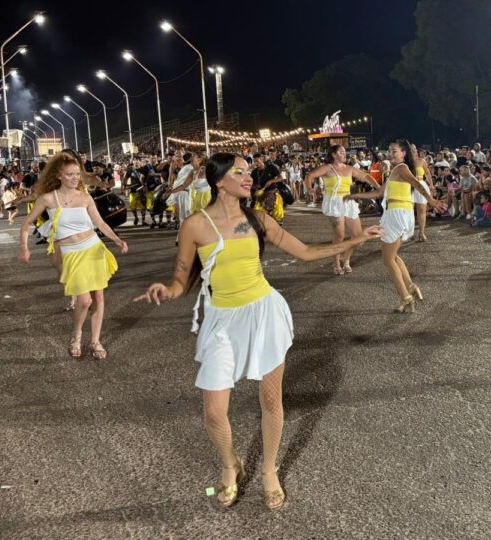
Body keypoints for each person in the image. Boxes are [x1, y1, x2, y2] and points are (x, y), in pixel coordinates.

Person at [134, 152, 383, 510]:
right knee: (215, 412)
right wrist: (167, 290)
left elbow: (307, 252)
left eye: (249, 171)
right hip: (221, 320)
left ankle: (268, 469)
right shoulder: (195, 225)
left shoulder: (258, 219)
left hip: (263, 314)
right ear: (219, 180)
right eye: (240, 172)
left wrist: (357, 242)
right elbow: (180, 278)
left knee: (270, 400)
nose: (249, 177)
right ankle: (230, 463)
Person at [18, 152, 129, 359]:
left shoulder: (85, 197)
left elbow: (100, 223)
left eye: (77, 174)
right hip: (71, 253)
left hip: (93, 249)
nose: (75, 178)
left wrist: (116, 240)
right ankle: (76, 335)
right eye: (70, 174)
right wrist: (24, 247)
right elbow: (26, 225)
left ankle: (95, 341)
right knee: (84, 300)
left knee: (98, 297)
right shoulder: (48, 199)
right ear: (59, 175)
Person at [346, 139, 445, 313]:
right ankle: (411, 287)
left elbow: (416, 183)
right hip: (396, 213)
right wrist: (355, 197)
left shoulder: (401, 168)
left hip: (397, 214)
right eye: (390, 151)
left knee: (388, 259)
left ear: (403, 153)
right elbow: (379, 192)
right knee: (393, 256)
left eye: (394, 151)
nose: (390, 154)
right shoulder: (394, 171)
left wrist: (431, 200)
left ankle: (405, 296)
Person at [304, 145, 382, 274]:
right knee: (339, 236)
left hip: (348, 203)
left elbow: (366, 177)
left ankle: (346, 259)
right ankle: (336, 263)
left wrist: (379, 187)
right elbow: (310, 175)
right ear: (334, 155)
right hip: (334, 203)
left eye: (345, 152)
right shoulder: (328, 168)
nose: (345, 154)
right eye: (341, 152)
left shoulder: (350, 169)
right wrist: (309, 188)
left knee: (358, 237)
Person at [409, 144, 434, 241]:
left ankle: (421, 233)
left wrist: (431, 185)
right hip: (409, 186)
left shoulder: (421, 161)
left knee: (421, 210)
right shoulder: (404, 162)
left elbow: (427, 173)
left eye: (415, 149)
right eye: (411, 149)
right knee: (408, 210)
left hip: (420, 185)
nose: (414, 151)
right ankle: (410, 232)